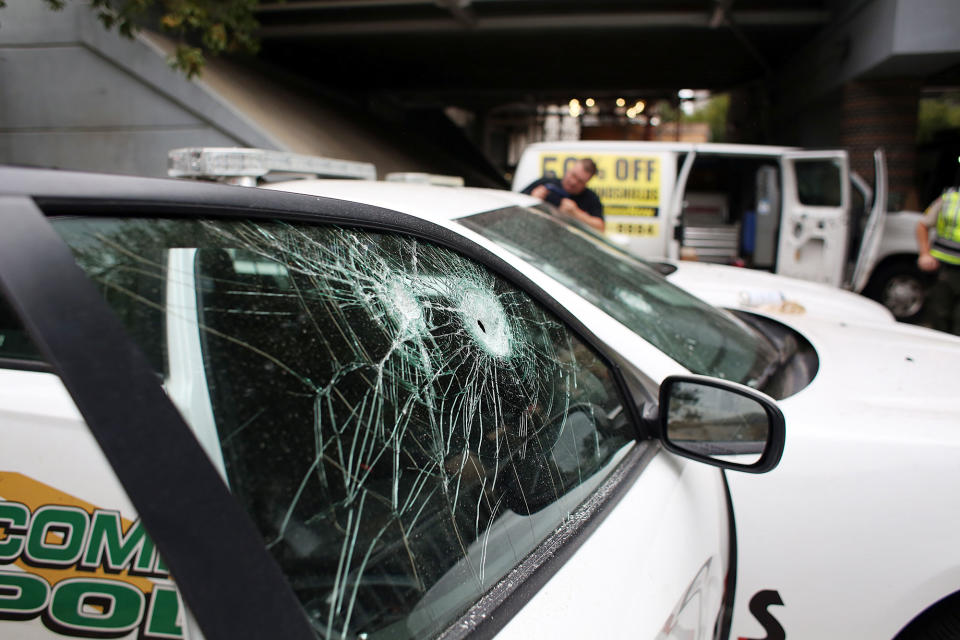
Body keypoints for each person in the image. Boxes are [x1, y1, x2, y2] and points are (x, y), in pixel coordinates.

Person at [916, 186, 960, 335]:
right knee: (939, 316)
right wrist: (925, 254)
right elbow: (922, 225)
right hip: (944, 269)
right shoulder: (949, 199)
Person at [521, 158, 605, 232]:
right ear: (568, 170)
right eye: (573, 175)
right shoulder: (546, 183)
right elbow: (515, 200)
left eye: (580, 181)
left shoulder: (590, 198)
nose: (573, 182)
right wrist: (533, 199)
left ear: (587, 182)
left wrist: (576, 213)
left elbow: (601, 228)